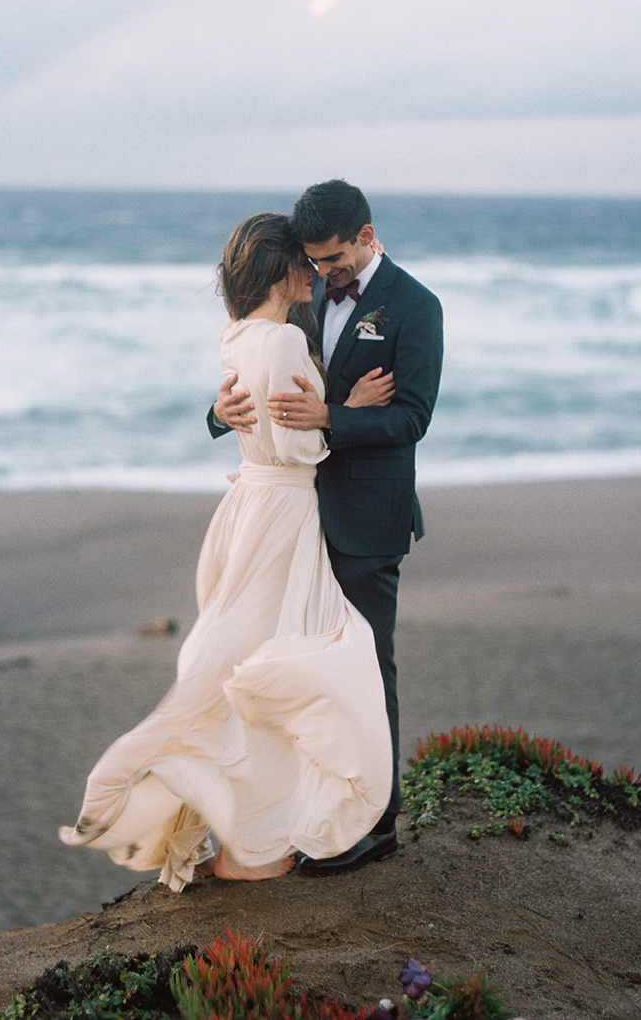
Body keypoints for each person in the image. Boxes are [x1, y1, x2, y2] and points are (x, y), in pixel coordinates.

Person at [59, 213, 394, 889]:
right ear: (279, 270)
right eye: (303, 263)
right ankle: (257, 843)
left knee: (244, 662)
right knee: (284, 666)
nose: (314, 272)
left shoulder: (239, 335)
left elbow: (258, 418)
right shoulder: (283, 343)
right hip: (283, 515)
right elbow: (298, 445)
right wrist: (346, 408)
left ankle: (255, 840)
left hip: (252, 512)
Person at [210, 180, 444, 874]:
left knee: (369, 669)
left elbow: (412, 419)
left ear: (367, 237)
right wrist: (222, 413)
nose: (322, 273)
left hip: (367, 519)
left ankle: (376, 824)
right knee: (310, 673)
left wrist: (334, 419)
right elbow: (271, 377)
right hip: (298, 523)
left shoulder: (415, 306)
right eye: (312, 262)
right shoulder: (303, 304)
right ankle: (314, 809)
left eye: (335, 260)